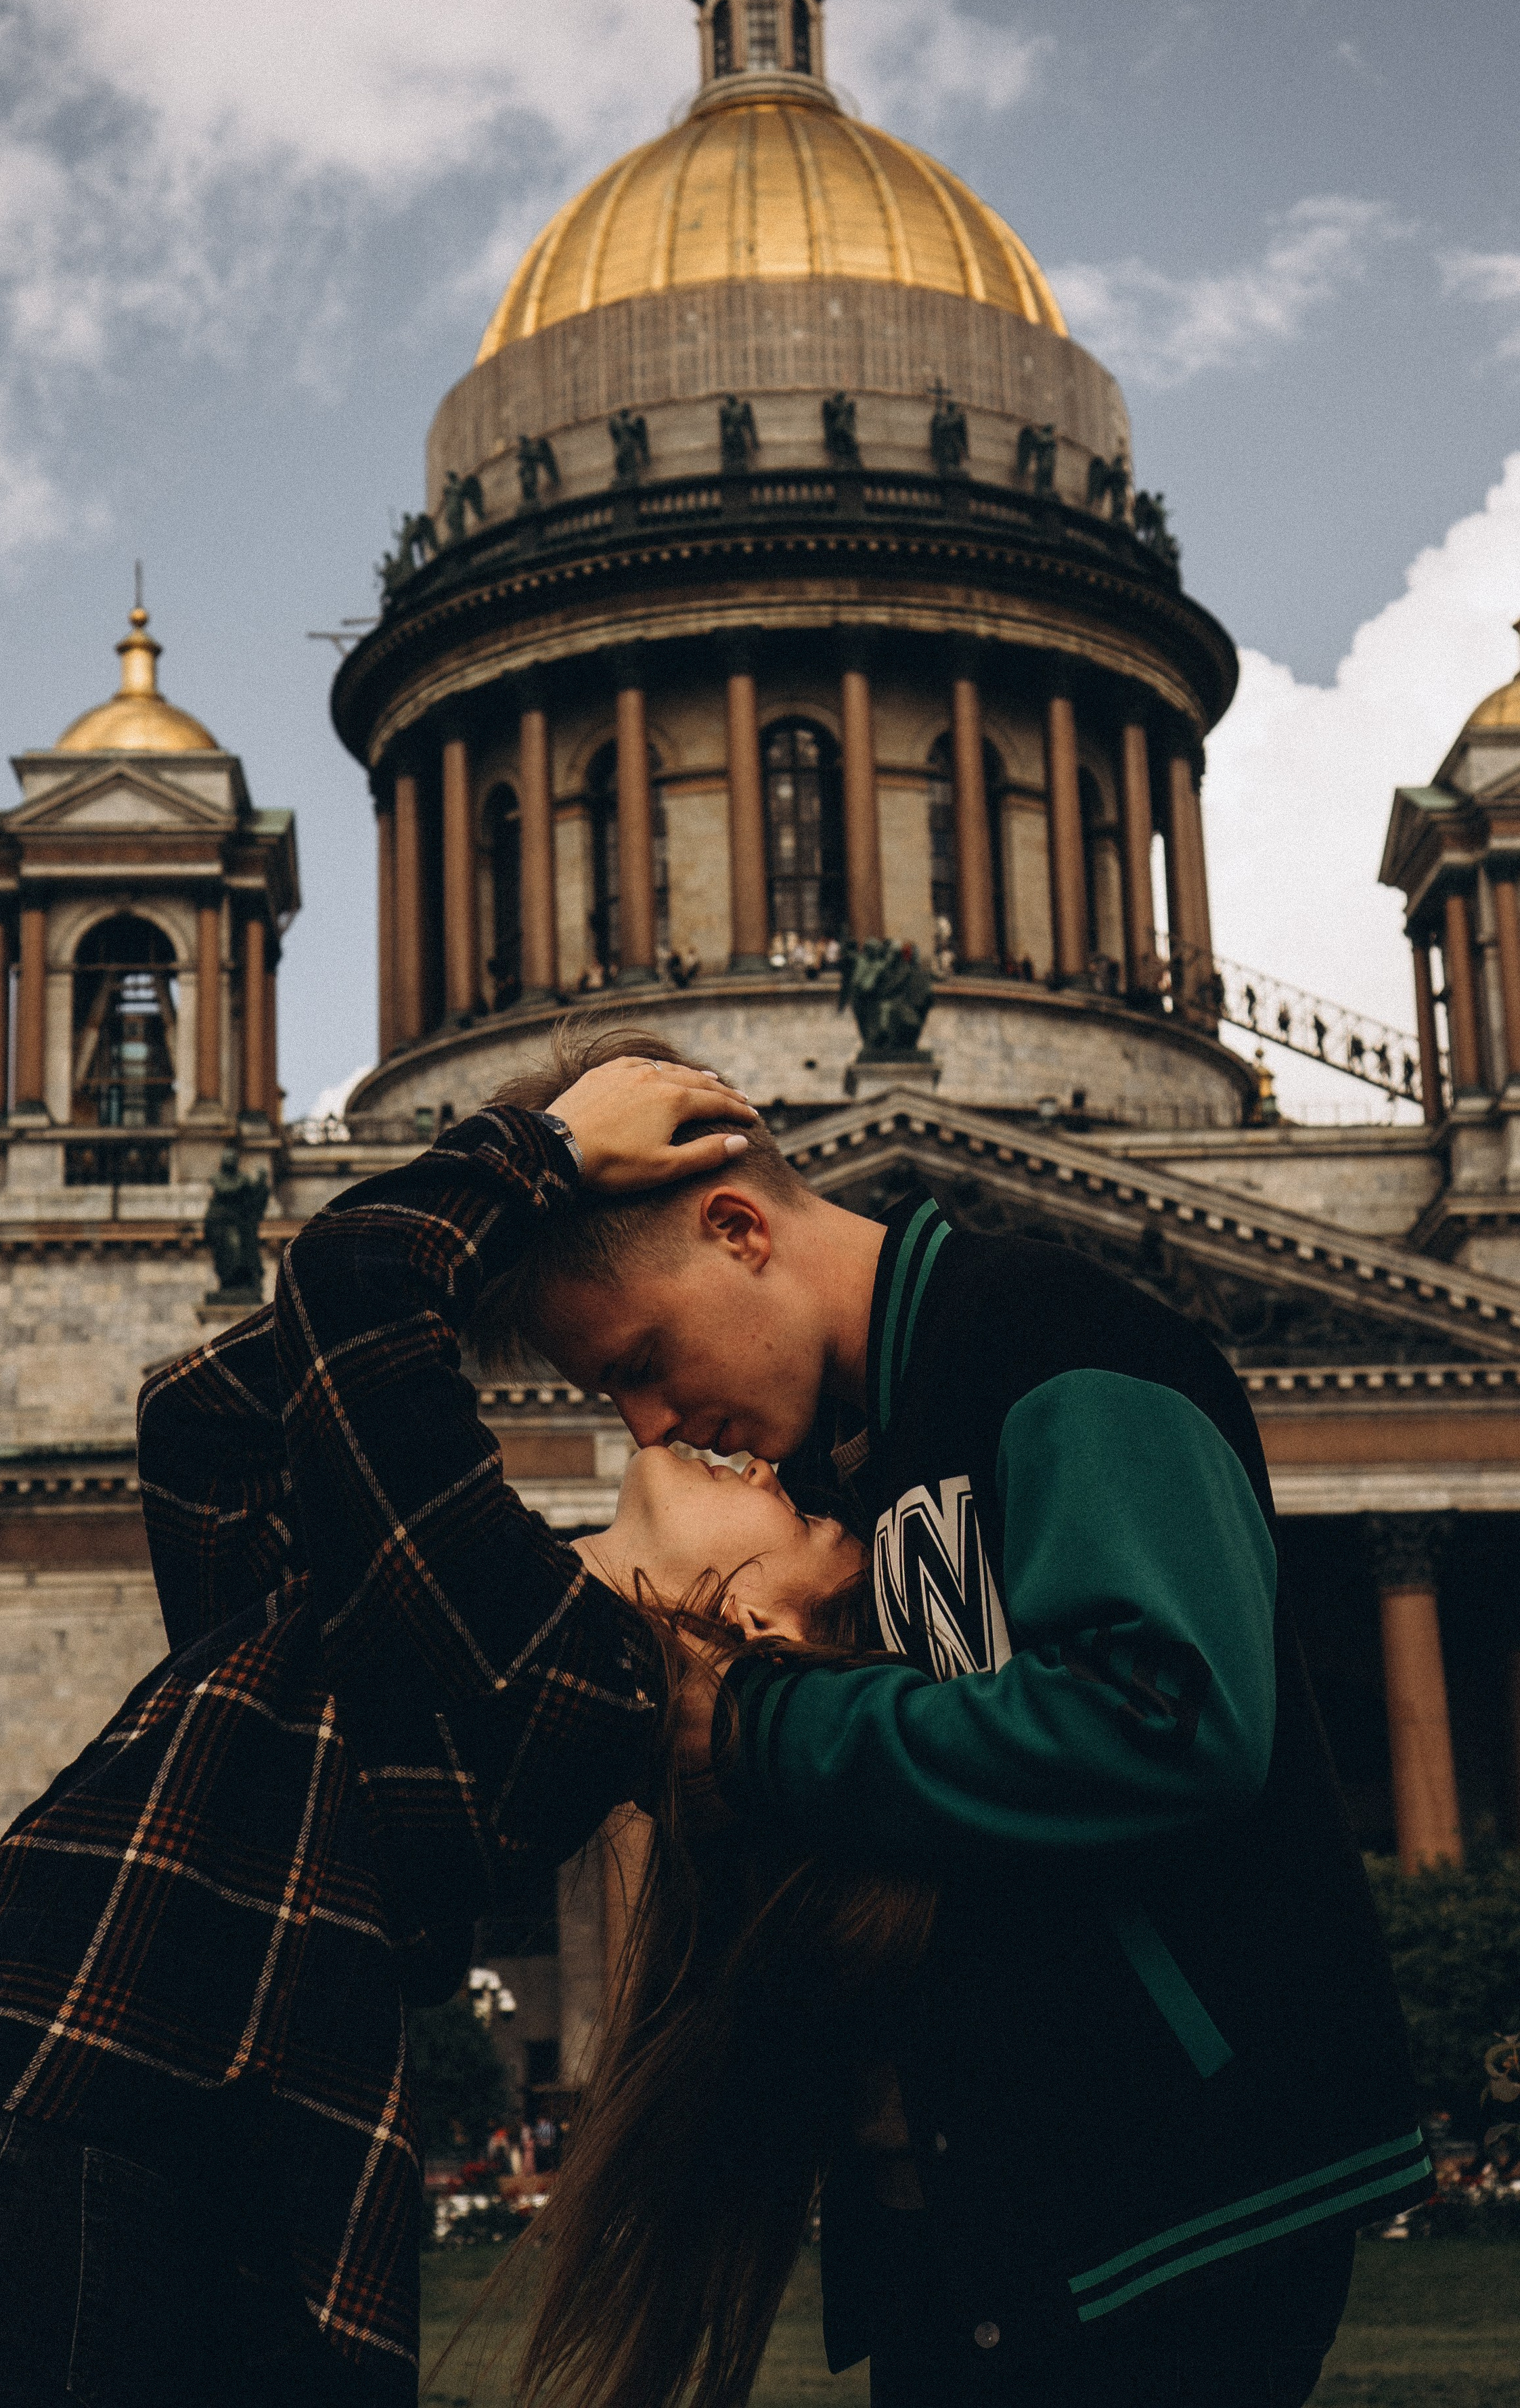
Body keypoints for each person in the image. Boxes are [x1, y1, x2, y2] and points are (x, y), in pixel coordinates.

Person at [0, 1059, 864, 2408]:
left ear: (752, 1637)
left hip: (58, 2121)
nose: (747, 1455)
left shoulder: (571, 1685)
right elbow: (204, 1423)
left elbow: (354, 1297)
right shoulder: (428, 1617)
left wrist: (536, 1159)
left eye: (811, 1524)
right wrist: (530, 1267)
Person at [476, 1024, 1426, 2408]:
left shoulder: (1053, 1340)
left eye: (640, 1360)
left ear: (737, 1224)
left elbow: (1167, 1720)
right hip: (987, 2228)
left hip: (1170, 2199)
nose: (645, 1426)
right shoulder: (839, 1467)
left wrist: (756, 1730)